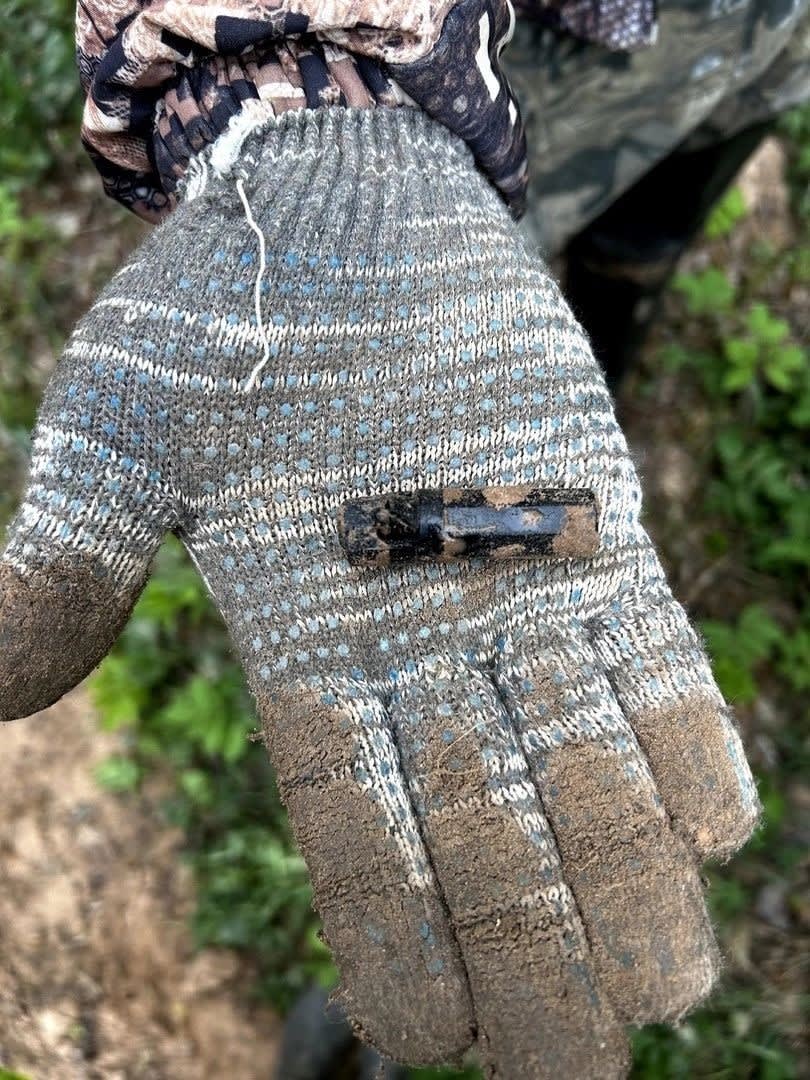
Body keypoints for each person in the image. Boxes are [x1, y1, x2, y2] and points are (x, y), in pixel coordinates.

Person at [0, 2, 806, 1077]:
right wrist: (309, 98)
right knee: (538, 242)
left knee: (642, 242)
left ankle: (601, 325)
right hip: (485, 65)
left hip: (751, 47)